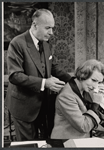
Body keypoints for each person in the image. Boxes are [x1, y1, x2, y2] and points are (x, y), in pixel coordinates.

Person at [5, 9, 71, 141]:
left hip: (42, 105)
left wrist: (75, 80)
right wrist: (45, 83)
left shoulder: (46, 44)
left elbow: (53, 67)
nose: (51, 33)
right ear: (35, 25)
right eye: (47, 28)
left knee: (44, 142)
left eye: (52, 28)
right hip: (23, 107)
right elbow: (14, 76)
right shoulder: (17, 43)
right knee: (28, 144)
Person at [51, 59, 104, 139]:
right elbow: (84, 127)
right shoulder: (66, 96)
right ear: (83, 75)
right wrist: (96, 103)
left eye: (99, 82)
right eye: (93, 80)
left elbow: (103, 117)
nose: (95, 86)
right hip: (66, 142)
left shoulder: (86, 88)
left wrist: (101, 100)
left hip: (82, 140)